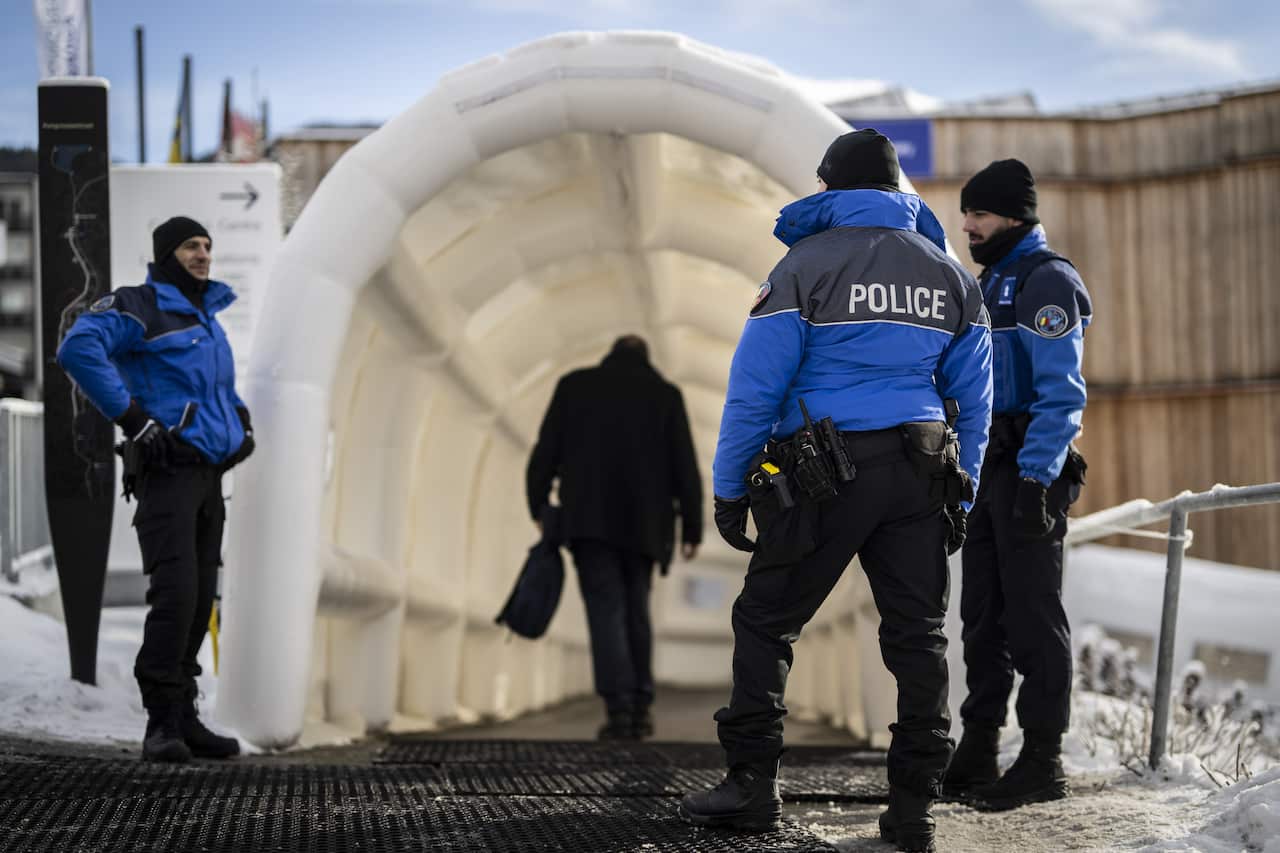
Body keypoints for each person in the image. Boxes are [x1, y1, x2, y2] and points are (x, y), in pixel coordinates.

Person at [678, 129, 993, 853]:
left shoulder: (803, 266)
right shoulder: (951, 276)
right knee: (918, 636)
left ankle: (751, 785)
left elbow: (755, 390)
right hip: (922, 469)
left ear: (832, 188)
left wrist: (729, 489)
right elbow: (976, 401)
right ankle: (913, 808)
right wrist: (964, 492)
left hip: (824, 472)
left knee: (766, 619)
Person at [57, 216, 254, 763]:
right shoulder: (139, 305)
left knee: (200, 601)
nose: (203, 254)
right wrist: (134, 419)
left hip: (207, 476)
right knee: (176, 596)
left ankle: (185, 715)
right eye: (191, 245)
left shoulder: (205, 317)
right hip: (167, 477)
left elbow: (212, 391)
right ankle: (160, 722)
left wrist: (240, 423)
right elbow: (78, 349)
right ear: (168, 254)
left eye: (207, 245)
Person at [945, 159, 1092, 810]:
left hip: (1032, 469)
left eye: (977, 213)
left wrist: (1037, 478)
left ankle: (1042, 759)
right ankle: (979, 746)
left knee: (1032, 615)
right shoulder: (989, 282)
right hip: (989, 469)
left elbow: (1062, 395)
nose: (967, 225)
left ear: (1013, 215)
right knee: (982, 616)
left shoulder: (1045, 280)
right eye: (965, 214)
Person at [526, 335, 703, 740]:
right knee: (637, 608)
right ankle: (640, 705)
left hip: (589, 522)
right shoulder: (665, 396)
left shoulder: (575, 386)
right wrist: (691, 528)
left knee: (605, 610)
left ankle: (619, 707)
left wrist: (539, 505)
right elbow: (684, 466)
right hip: (646, 525)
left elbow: (545, 451)